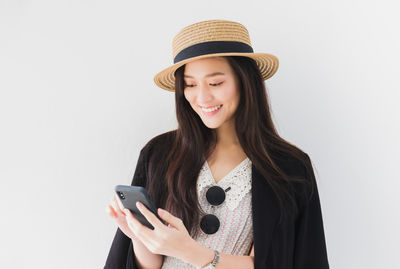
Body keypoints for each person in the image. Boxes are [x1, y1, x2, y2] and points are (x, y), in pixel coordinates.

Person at [104, 19, 330, 269]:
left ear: (245, 81)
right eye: (190, 84)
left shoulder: (287, 168)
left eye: (215, 83)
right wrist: (140, 238)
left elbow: (274, 262)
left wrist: (189, 250)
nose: (202, 97)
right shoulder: (160, 153)